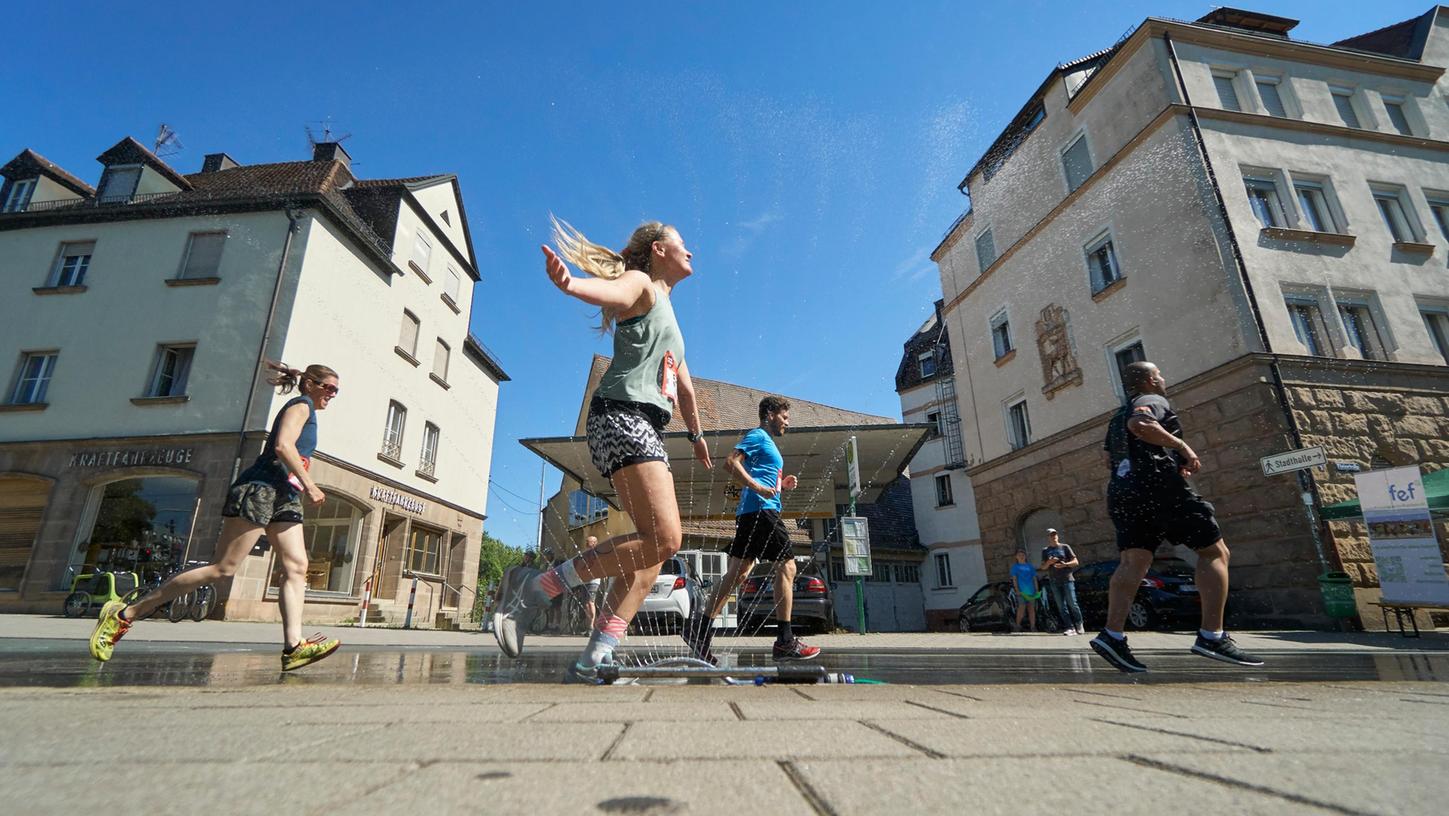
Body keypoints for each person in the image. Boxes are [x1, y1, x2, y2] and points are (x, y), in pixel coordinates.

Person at [494, 218, 712, 682]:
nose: (691, 252)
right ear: (658, 250)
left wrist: (696, 437)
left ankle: (595, 657)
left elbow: (686, 388)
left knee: (650, 561)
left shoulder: (668, 311)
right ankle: (537, 590)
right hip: (621, 415)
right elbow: (610, 292)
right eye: (683, 245)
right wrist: (572, 285)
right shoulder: (642, 285)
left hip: (644, 423)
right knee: (666, 540)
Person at [89, 362, 343, 671]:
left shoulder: (311, 412)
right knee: (223, 568)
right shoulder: (300, 405)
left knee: (297, 565)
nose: (332, 395)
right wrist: (310, 484)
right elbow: (282, 445)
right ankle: (124, 615)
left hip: (285, 496)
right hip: (261, 488)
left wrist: (300, 483)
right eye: (328, 388)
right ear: (310, 384)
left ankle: (293, 647)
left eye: (336, 391)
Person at [1090, 361, 1263, 673]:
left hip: (1122, 491)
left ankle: (1112, 635)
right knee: (1214, 551)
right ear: (1149, 380)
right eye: (1159, 374)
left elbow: (1107, 458)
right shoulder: (1152, 401)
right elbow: (1141, 425)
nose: (1163, 378)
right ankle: (1212, 635)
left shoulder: (1115, 417)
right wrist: (1182, 446)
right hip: (1159, 487)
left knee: (1133, 561)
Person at [682, 396, 818, 663]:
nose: (787, 423)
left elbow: (762, 475)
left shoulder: (766, 444)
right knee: (788, 567)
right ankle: (785, 641)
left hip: (750, 513)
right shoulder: (758, 435)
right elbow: (731, 463)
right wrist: (757, 487)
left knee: (737, 574)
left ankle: (698, 630)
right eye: (784, 417)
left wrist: (782, 485)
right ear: (769, 414)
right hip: (761, 511)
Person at [1041, 528, 1084, 636]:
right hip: (1054, 581)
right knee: (1061, 606)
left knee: (1072, 603)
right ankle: (1070, 627)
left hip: (1067, 579)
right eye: (1051, 535)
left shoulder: (1065, 547)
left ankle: (1079, 624)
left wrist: (1065, 565)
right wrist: (1049, 562)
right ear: (1047, 538)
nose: (1053, 536)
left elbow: (1076, 562)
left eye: (1055, 534)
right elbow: (1043, 567)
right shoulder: (1045, 551)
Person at [1009, 550, 1040, 633]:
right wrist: (1017, 590)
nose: (1021, 556)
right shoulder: (1015, 567)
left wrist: (1037, 589)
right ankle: (1018, 625)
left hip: (1031, 591)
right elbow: (1014, 579)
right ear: (1016, 557)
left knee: (1031, 609)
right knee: (1021, 608)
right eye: (1019, 555)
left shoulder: (1030, 566)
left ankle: (1033, 627)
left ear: (1025, 556)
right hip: (1021, 591)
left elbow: (1034, 578)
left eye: (1023, 555)